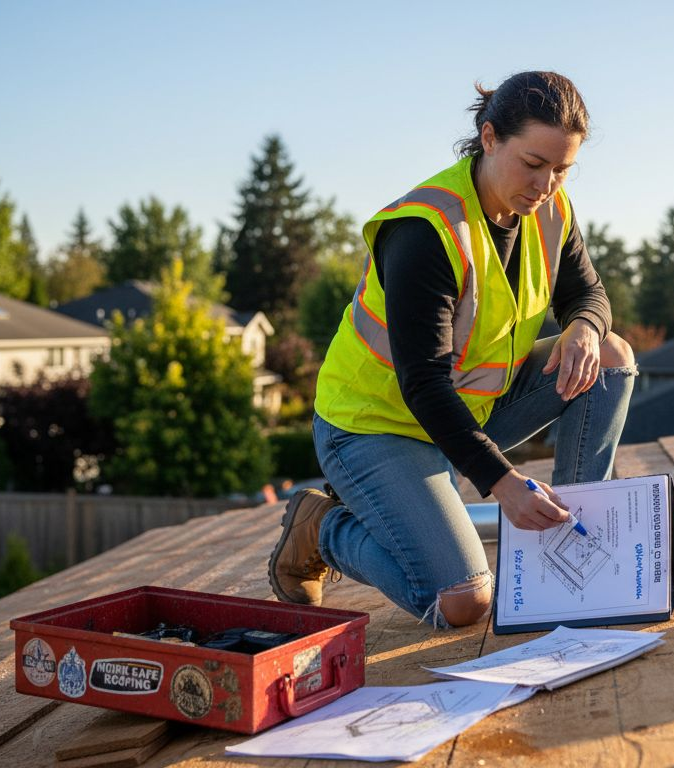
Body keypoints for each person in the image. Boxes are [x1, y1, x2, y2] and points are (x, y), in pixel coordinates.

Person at [268, 71, 636, 628]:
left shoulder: (550, 210)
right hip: (375, 427)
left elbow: (587, 293)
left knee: (609, 354)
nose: (546, 185)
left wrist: (585, 325)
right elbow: (423, 384)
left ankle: (572, 550)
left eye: (562, 169)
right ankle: (322, 527)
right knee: (463, 602)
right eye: (533, 164)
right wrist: (503, 482)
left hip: (469, 412)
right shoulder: (427, 230)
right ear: (489, 139)